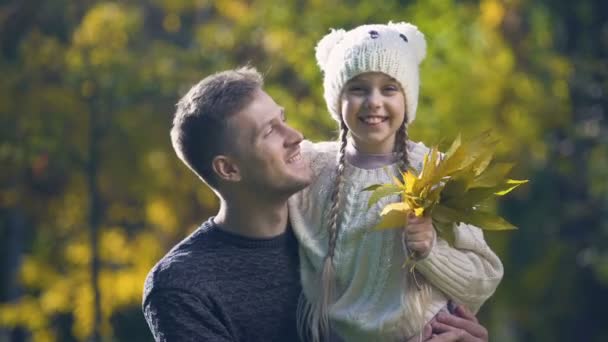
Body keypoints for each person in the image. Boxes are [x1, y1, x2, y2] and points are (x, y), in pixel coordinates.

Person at [142, 67, 492, 341]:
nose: (294, 136)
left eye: (282, 118)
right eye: (269, 132)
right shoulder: (184, 286)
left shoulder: (348, 221)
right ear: (229, 169)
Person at [288, 22, 504, 342]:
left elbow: (484, 278)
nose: (374, 101)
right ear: (337, 98)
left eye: (389, 88)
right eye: (358, 88)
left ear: (407, 98)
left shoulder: (435, 172)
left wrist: (430, 251)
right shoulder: (310, 170)